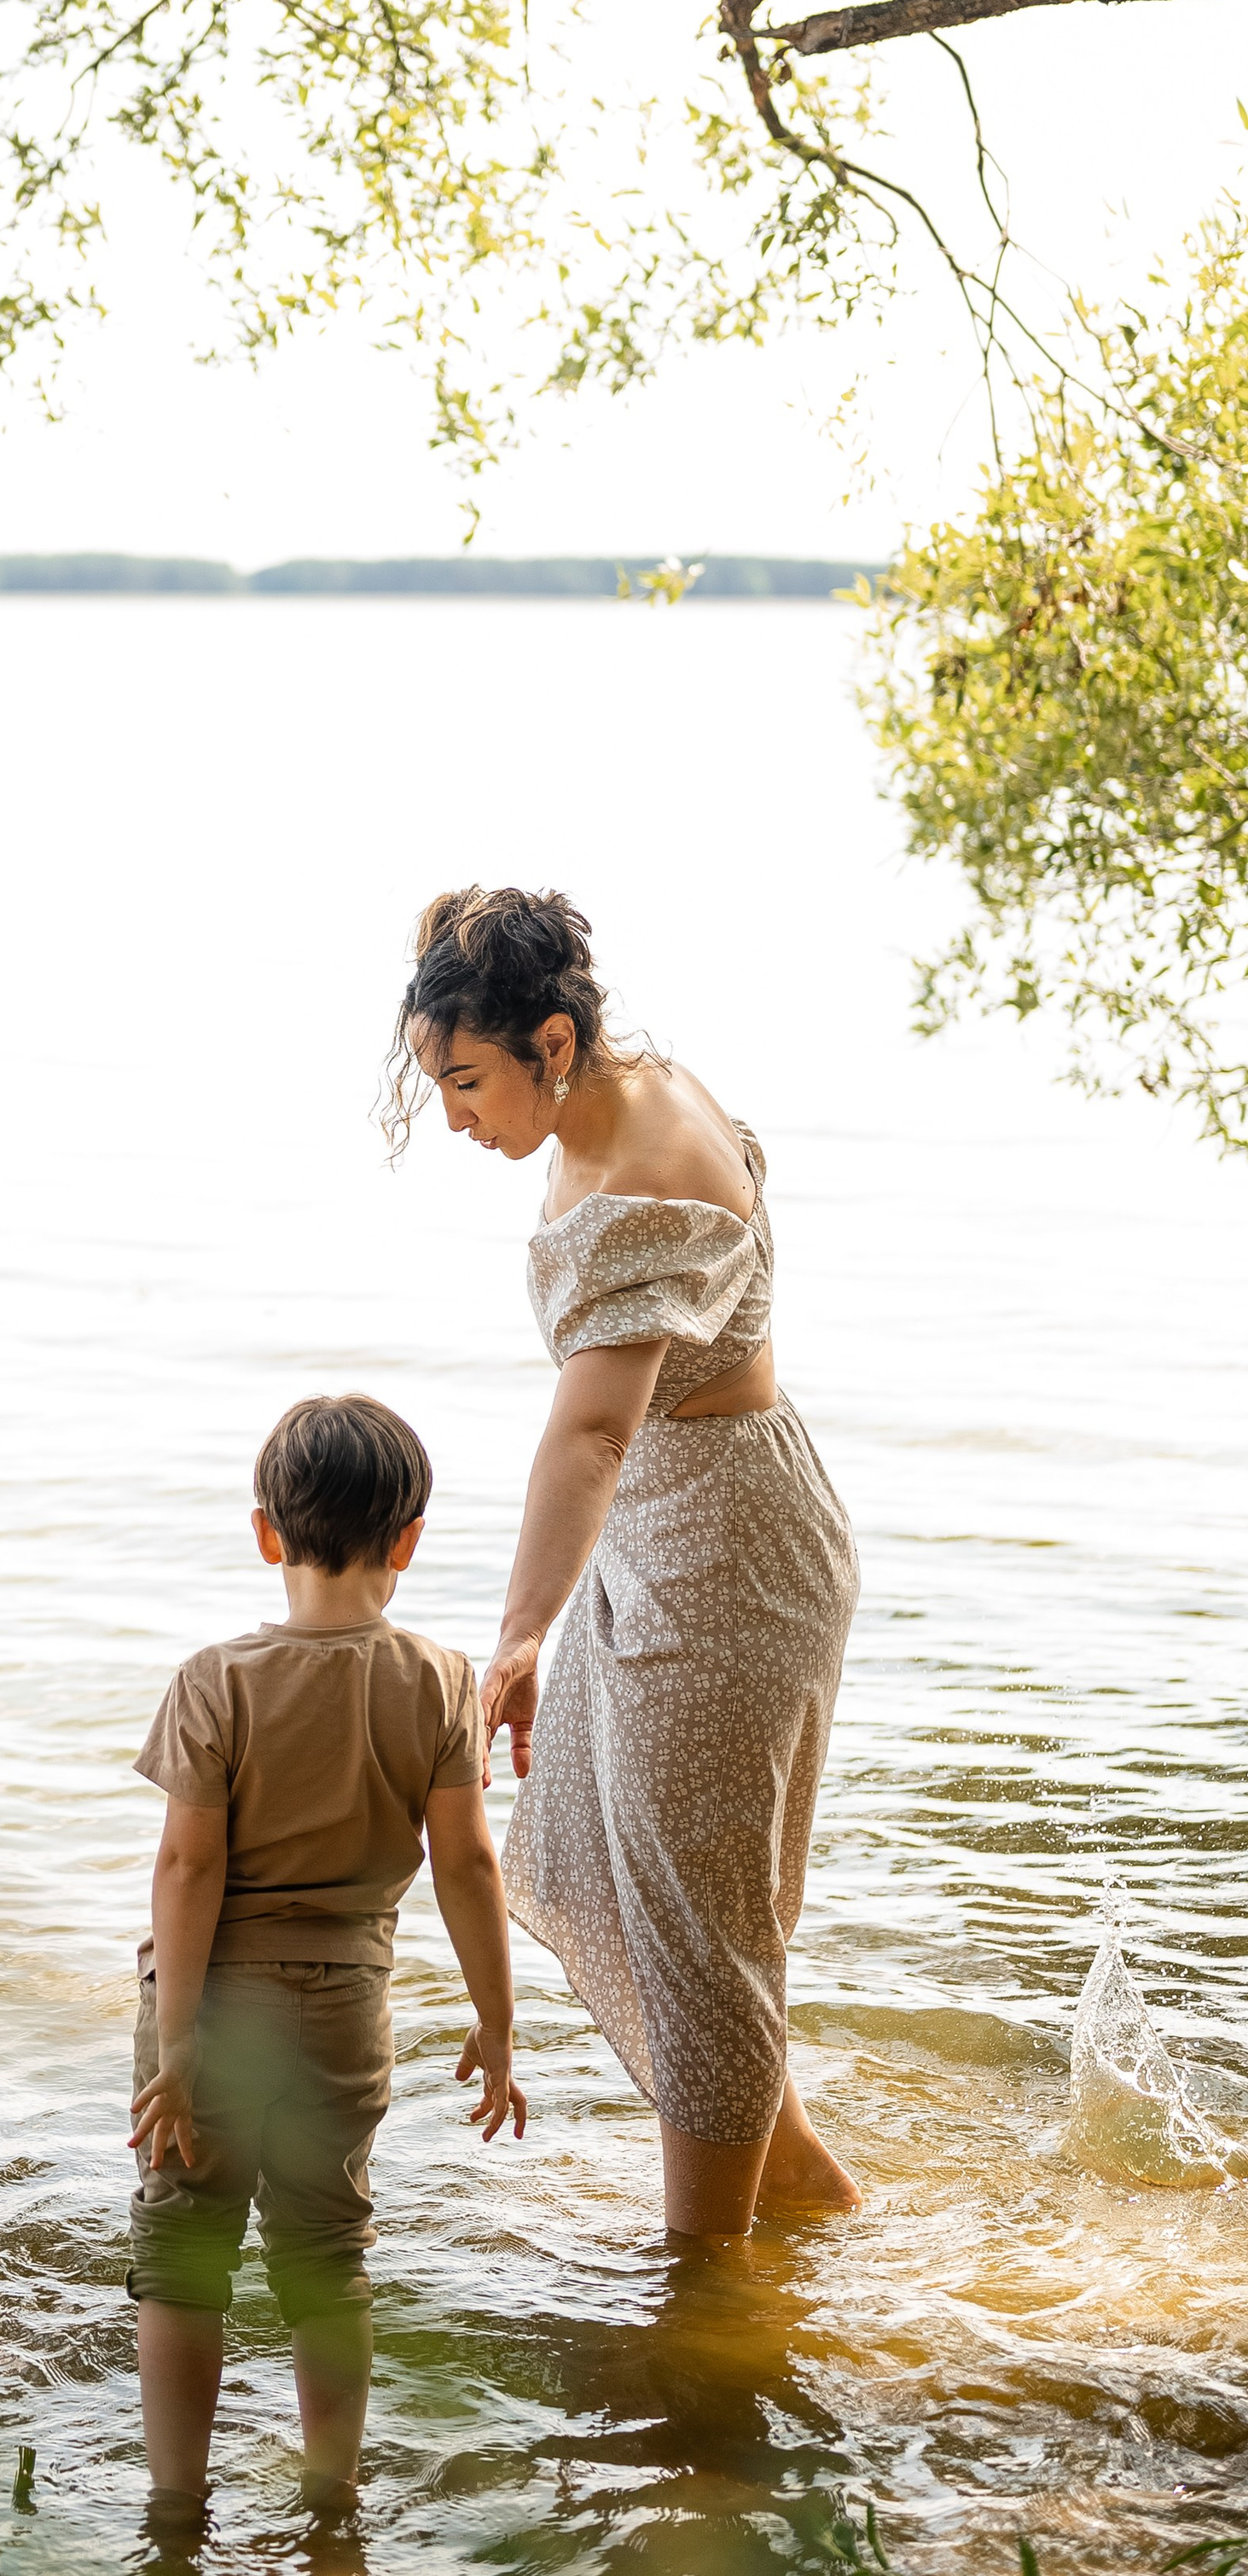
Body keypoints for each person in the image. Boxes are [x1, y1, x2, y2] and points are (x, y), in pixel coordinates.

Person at [386, 886, 863, 2244]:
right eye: (436, 1083)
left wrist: (521, 1630)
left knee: (704, 1940)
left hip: (725, 1557)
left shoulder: (646, 1164)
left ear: (549, 1040)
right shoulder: (618, 1083)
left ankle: (703, 2294)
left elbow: (592, 1431)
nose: (455, 1115)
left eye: (466, 1080)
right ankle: (810, 2201)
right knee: (649, 1888)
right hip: (676, 1529)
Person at [126, 1393, 522, 2532]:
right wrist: (496, 2024)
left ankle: (174, 2508)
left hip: (212, 2003)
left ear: (267, 1533)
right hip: (347, 2008)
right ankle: (333, 2500)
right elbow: (468, 1868)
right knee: (328, 2250)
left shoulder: (216, 1681)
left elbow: (191, 1871)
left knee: (186, 2244)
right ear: (407, 1542)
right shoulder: (441, 1681)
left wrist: (184, 2036)